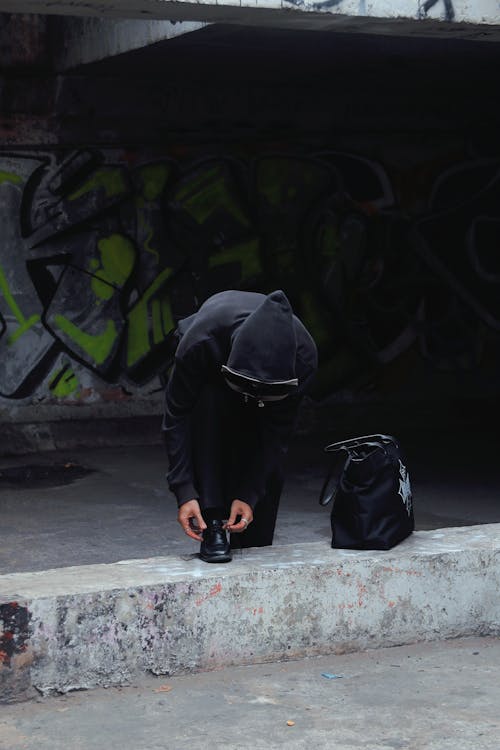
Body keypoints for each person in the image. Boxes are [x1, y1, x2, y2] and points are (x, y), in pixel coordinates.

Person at [162, 289, 318, 563]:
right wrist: (184, 491)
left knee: (262, 442)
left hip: (271, 393)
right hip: (212, 374)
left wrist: (249, 493)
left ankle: (251, 524)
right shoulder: (200, 341)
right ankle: (213, 523)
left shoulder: (304, 359)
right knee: (208, 413)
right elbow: (177, 416)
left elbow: (276, 436)